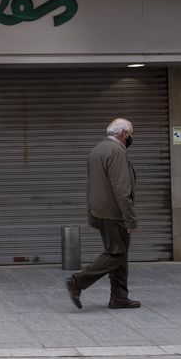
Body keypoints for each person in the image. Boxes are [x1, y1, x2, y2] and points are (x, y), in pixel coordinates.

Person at [66, 118, 140, 309]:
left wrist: (91, 214)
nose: (131, 137)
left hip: (101, 210)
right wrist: (130, 219)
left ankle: (119, 296)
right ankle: (78, 281)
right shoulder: (116, 152)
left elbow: (91, 187)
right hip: (114, 212)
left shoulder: (97, 150)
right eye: (130, 133)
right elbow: (122, 189)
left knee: (119, 253)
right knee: (116, 253)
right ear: (123, 133)